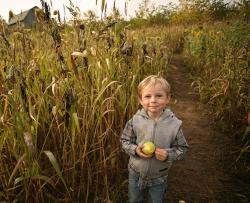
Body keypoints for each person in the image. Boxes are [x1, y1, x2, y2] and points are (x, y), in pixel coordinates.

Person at [120, 75, 189, 203]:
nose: (153, 100)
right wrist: (136, 150)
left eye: (159, 96)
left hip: (159, 176)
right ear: (140, 100)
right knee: (134, 199)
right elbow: (125, 141)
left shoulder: (174, 124)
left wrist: (168, 154)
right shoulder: (135, 121)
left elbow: (182, 148)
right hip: (136, 172)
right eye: (147, 96)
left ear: (168, 98)